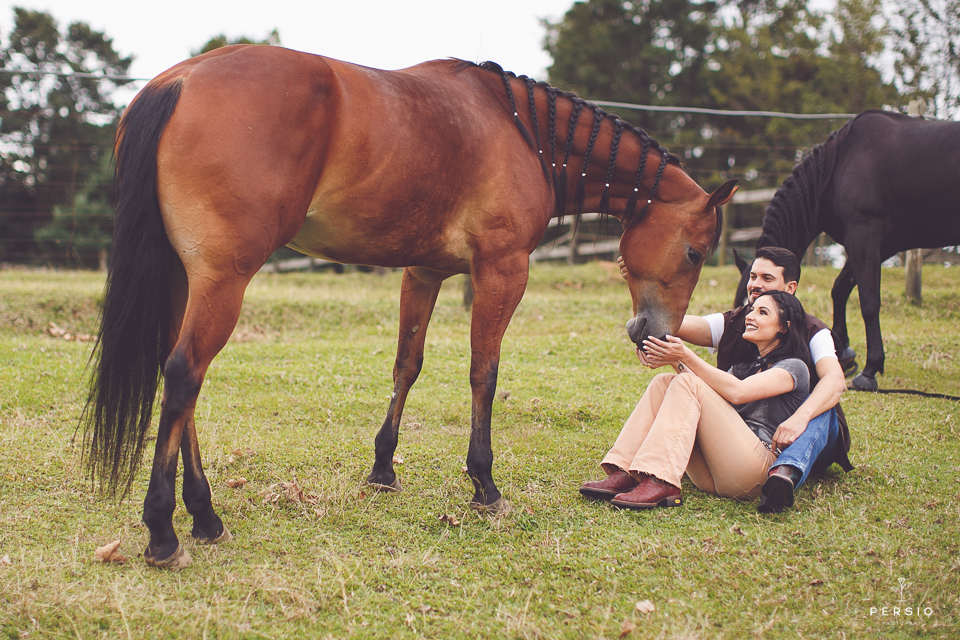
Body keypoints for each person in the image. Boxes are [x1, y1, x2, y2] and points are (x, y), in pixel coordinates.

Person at [621, 247, 852, 513]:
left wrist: (800, 417)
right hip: (729, 452)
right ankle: (625, 469)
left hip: (802, 436)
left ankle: (786, 470)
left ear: (790, 288)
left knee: (822, 405)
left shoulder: (810, 336)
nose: (755, 284)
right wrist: (643, 284)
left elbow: (835, 382)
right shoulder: (739, 324)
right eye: (752, 276)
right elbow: (670, 323)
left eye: (767, 278)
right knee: (667, 381)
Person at [579, 291, 812, 508]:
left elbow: (738, 392)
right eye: (752, 310)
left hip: (754, 473)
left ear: (784, 326)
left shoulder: (794, 368)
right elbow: (704, 395)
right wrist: (672, 359)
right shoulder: (743, 367)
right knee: (664, 381)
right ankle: (626, 472)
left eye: (762, 312)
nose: (750, 316)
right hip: (715, 471)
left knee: (688, 382)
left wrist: (685, 355)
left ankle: (661, 479)